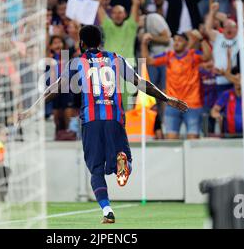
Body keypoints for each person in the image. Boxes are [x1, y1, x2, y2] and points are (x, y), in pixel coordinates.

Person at [18, 25, 188, 223]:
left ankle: (107, 210)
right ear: (100, 42)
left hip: (91, 121)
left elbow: (53, 90)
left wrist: (32, 109)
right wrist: (166, 98)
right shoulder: (116, 58)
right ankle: (122, 163)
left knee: (96, 171)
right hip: (114, 119)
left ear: (81, 43)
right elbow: (141, 82)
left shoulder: (76, 63)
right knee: (125, 163)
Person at [141, 30, 212, 139]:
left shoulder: (193, 55)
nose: (176, 42)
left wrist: (201, 39)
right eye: (174, 40)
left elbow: (207, 57)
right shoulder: (169, 56)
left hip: (192, 105)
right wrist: (144, 43)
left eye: (180, 40)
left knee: (193, 142)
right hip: (172, 104)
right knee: (171, 142)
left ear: (186, 43)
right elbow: (148, 61)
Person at [210, 68, 244, 137]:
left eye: (239, 79)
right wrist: (218, 116)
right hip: (230, 134)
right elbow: (214, 111)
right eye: (235, 79)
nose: (237, 82)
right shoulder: (226, 94)